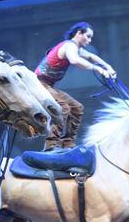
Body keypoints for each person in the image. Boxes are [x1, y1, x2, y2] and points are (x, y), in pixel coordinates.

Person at [34, 21, 116, 150]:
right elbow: (75, 60)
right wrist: (98, 69)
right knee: (63, 108)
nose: (89, 40)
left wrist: (108, 67)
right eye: (88, 36)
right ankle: (51, 145)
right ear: (79, 33)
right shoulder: (68, 46)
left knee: (77, 108)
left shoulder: (75, 48)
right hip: (38, 84)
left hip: (48, 85)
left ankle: (68, 144)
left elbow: (91, 56)